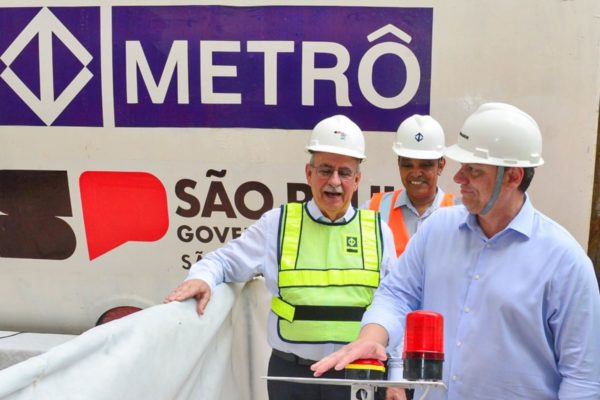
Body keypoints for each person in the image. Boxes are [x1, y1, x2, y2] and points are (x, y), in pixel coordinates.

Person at [311, 103, 600, 399]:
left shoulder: (565, 263)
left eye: (474, 170)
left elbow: (583, 380)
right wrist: (374, 336)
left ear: (513, 177)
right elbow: (397, 293)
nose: (459, 178)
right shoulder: (438, 230)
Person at [164, 115, 397, 400]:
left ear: (357, 179)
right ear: (308, 174)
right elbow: (223, 261)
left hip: (358, 374)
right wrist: (202, 278)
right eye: (325, 170)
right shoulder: (277, 224)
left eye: (344, 172)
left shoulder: (378, 231)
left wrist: (396, 377)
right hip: (291, 375)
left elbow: (394, 305)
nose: (334, 181)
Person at [364, 114, 456, 257]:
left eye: (425, 165)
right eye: (408, 165)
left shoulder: (458, 214)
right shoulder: (372, 210)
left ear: (441, 166)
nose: (416, 173)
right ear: (398, 164)